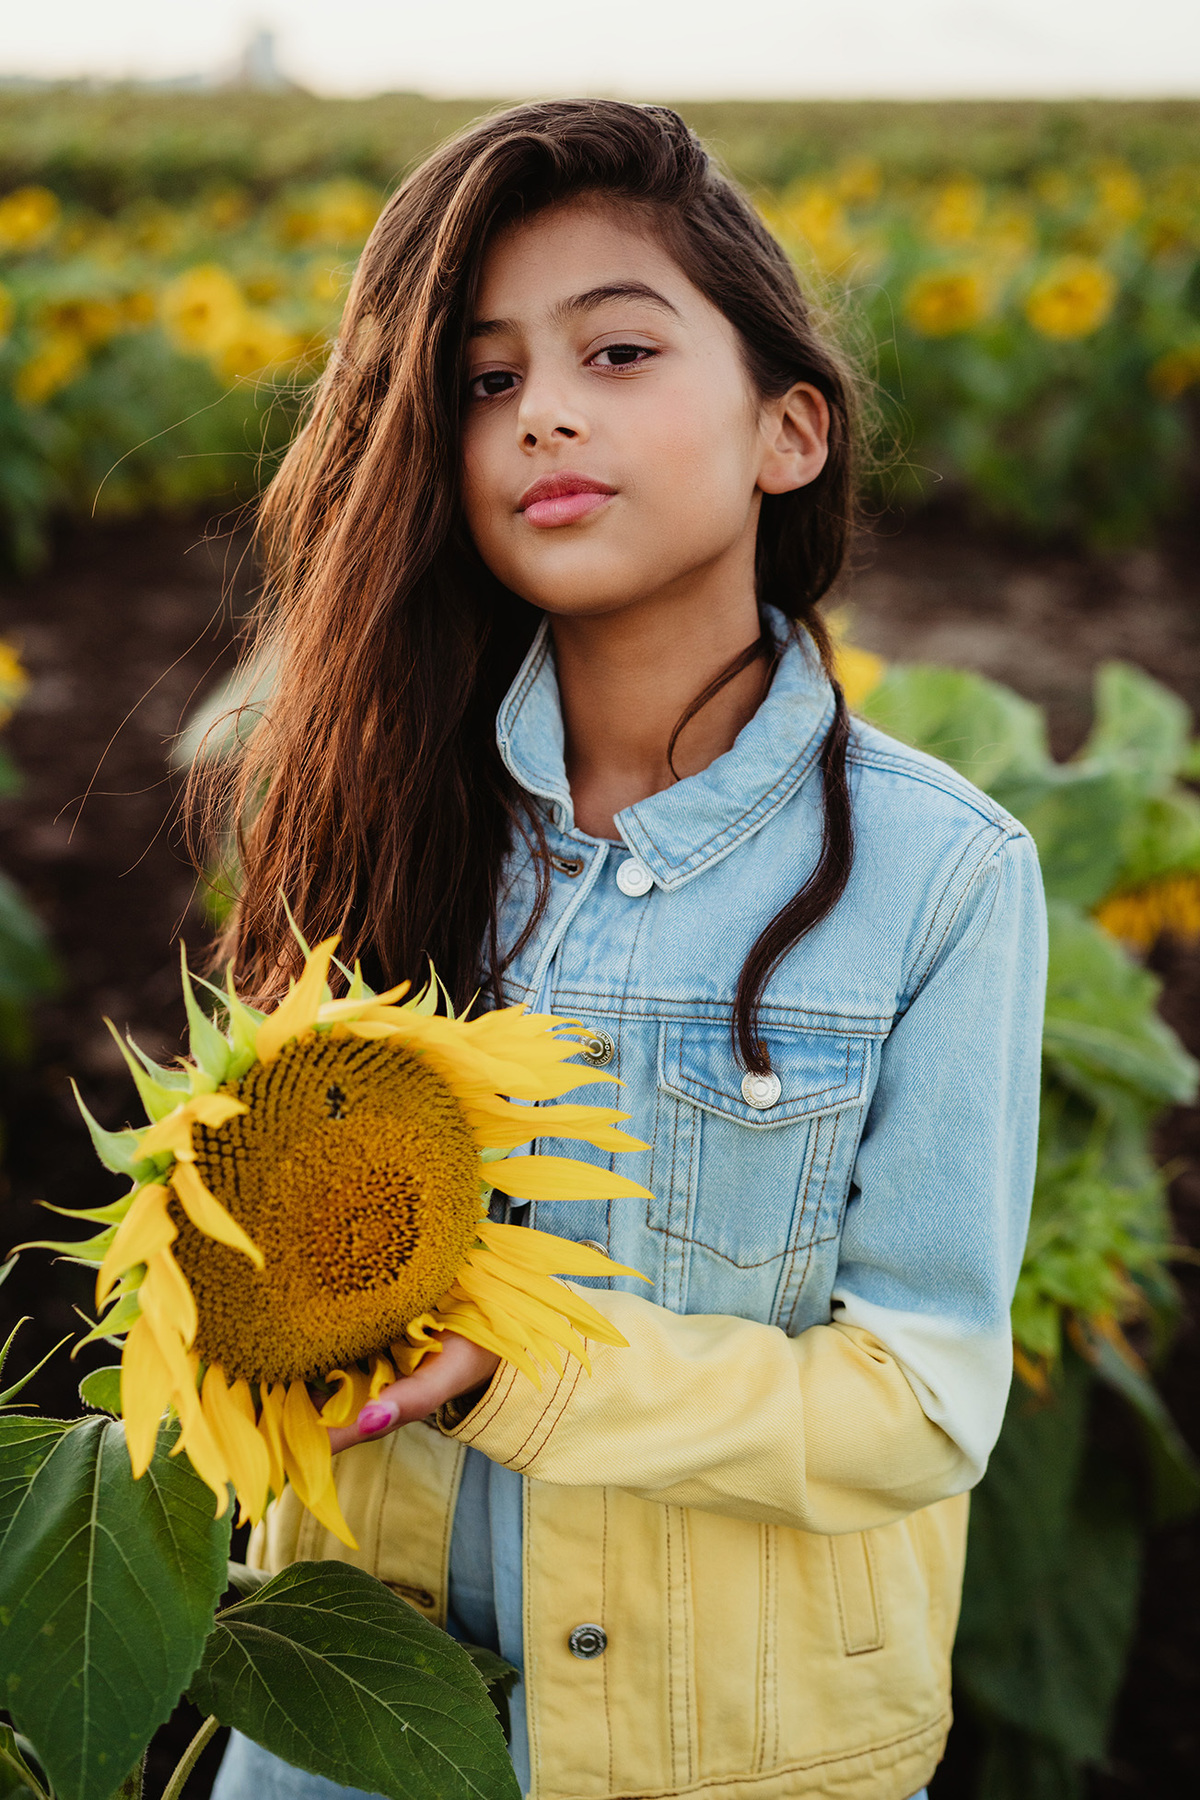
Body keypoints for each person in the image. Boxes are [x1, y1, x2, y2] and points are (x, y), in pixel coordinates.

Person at [208, 99, 1046, 1800]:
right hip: (346, 1736)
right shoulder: (363, 809)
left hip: (727, 1751)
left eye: (618, 349)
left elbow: (925, 1403)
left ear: (787, 430)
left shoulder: (938, 873)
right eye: (488, 379)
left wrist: (522, 1365)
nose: (549, 413)